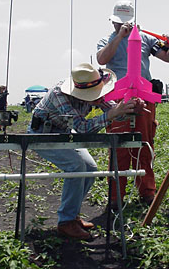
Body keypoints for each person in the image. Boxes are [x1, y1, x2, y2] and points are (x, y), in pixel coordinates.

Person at [28, 63, 146, 240]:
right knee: (76, 167)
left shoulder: (95, 86)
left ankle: (72, 215)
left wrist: (129, 110)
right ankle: (66, 222)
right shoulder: (60, 94)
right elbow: (82, 128)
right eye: (93, 96)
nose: (99, 98)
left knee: (90, 168)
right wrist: (113, 114)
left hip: (65, 133)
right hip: (43, 133)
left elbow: (113, 111)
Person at [97, 0, 169, 208]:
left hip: (144, 98)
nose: (120, 26)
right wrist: (119, 37)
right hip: (117, 98)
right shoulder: (106, 41)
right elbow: (101, 59)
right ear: (112, 21)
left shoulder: (146, 38)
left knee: (145, 144)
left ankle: (147, 192)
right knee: (119, 147)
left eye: (123, 23)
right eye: (117, 23)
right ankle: (116, 195)